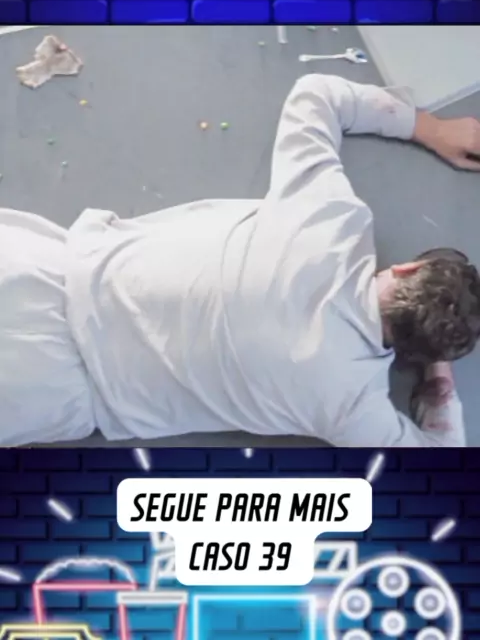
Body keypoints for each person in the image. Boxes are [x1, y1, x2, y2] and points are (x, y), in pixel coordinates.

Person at [1, 73, 480, 448]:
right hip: (46, 390)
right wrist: (438, 382)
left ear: (407, 269)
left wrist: (433, 128)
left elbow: (317, 95)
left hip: (44, 273)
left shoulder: (329, 222)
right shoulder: (351, 406)